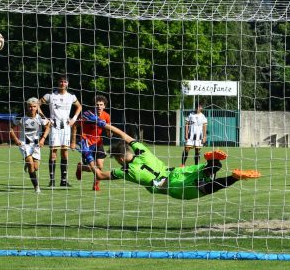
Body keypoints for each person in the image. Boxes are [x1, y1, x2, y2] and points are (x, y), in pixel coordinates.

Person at [78, 111, 261, 200]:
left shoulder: (125, 172)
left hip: (171, 186)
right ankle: (213, 163)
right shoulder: (142, 151)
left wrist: (88, 156)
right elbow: (124, 135)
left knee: (207, 188)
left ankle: (233, 178)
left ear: (118, 158)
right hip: (175, 172)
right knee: (206, 172)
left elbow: (100, 175)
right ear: (129, 150)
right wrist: (103, 124)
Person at [40, 74, 82, 187]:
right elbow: (37, 105)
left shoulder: (71, 96)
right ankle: (52, 180)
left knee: (64, 152)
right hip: (54, 127)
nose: (62, 83)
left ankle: (63, 181)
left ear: (67, 84)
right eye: (61, 81)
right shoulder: (50, 95)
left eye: (65, 82)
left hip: (66, 127)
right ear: (58, 83)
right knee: (53, 152)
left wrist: (73, 119)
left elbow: (79, 106)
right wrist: (44, 118)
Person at [9, 98, 51, 193]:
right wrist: (15, 139)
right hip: (24, 143)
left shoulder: (40, 117)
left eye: (34, 106)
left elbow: (48, 126)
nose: (32, 108)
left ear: (37, 107)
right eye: (30, 106)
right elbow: (10, 128)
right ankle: (36, 187)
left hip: (36, 144)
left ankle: (28, 164)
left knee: (36, 167)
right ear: (27, 107)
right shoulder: (20, 117)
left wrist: (43, 139)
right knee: (31, 164)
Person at [74, 95, 111, 191]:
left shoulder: (106, 116)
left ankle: (96, 185)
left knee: (100, 166)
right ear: (94, 106)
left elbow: (108, 131)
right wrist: (73, 141)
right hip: (86, 143)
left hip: (98, 142)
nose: (99, 106)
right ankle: (80, 167)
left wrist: (110, 133)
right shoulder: (87, 115)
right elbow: (75, 125)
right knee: (91, 168)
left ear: (104, 106)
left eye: (101, 105)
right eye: (97, 105)